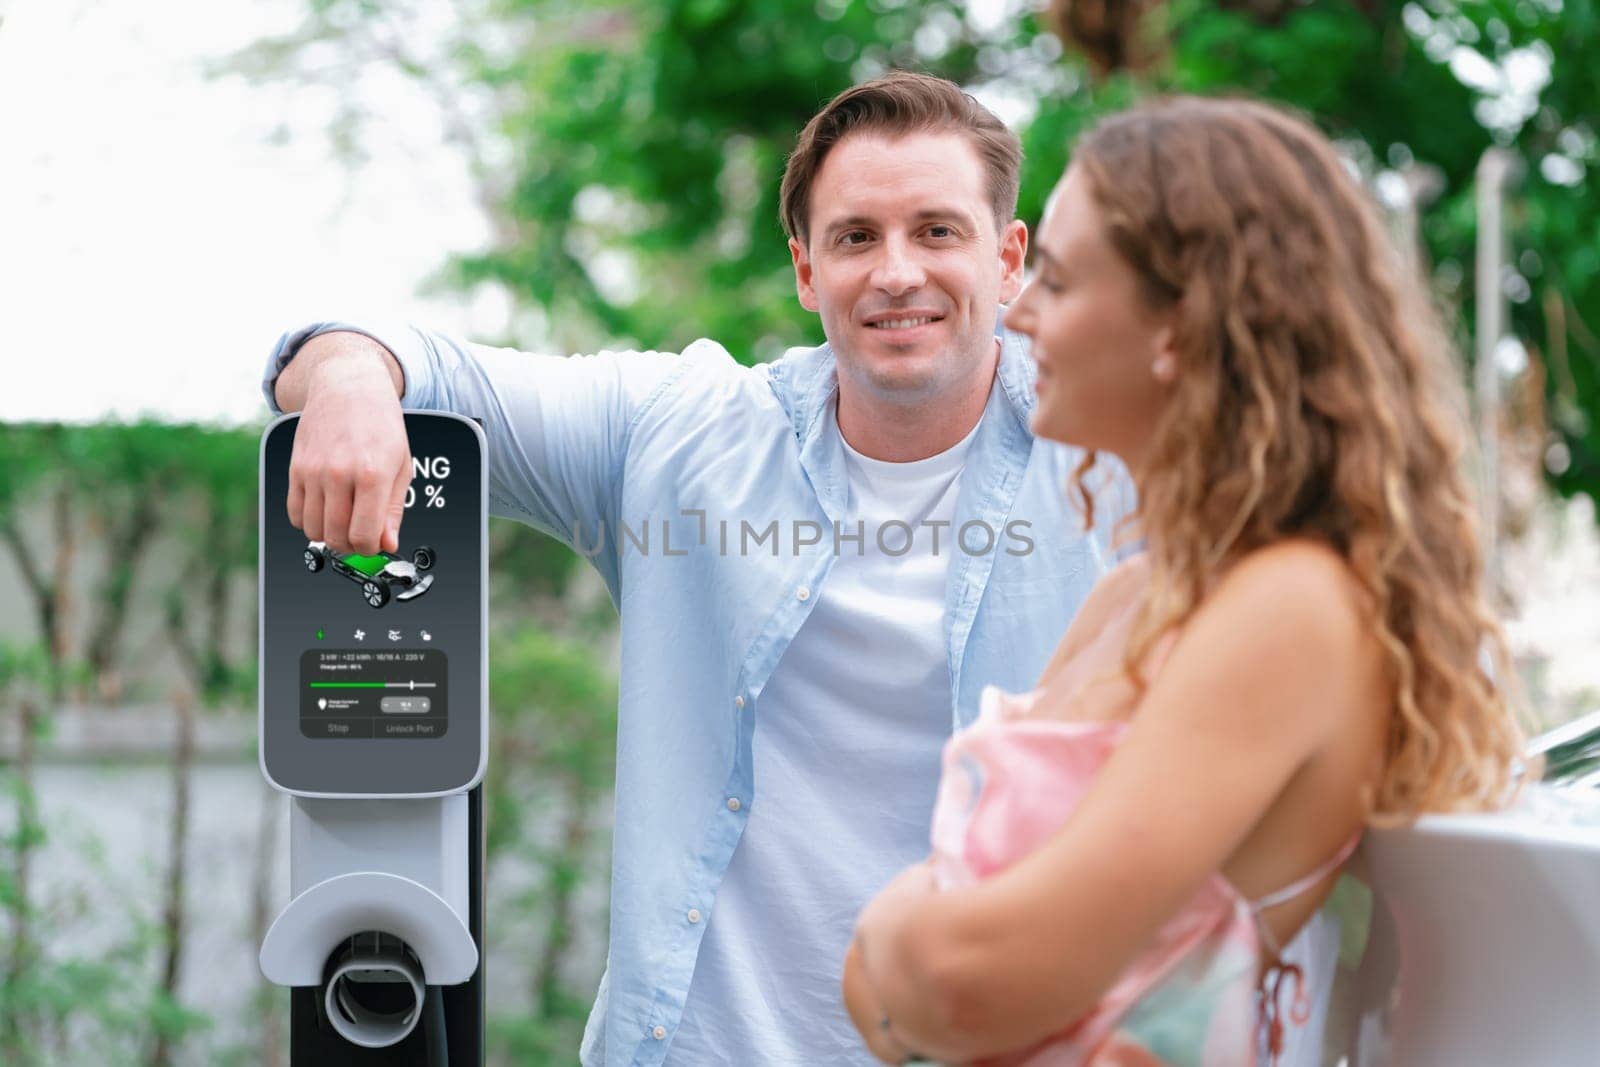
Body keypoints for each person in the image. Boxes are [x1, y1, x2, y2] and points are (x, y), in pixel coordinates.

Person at [262, 72, 1137, 1066]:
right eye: (856, 237)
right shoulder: (681, 434)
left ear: (1008, 257)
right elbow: (404, 359)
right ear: (807, 270)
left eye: (936, 231)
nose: (896, 272)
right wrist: (345, 384)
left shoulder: (1123, 459)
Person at [843, 95, 1527, 1066]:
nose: (1020, 305)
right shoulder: (1133, 597)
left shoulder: (1290, 606)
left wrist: (893, 930)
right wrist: (914, 970)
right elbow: (897, 992)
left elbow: (966, 979)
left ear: (1181, 323)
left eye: (1061, 277)